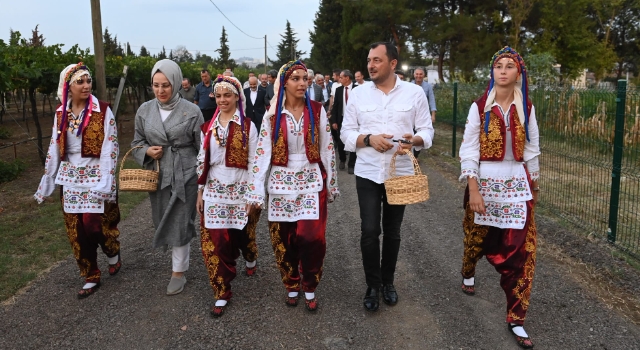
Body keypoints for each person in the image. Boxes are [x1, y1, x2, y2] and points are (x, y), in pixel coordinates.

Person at [341, 42, 433, 312]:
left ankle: (388, 282)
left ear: (393, 63)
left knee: (392, 231)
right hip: (368, 171)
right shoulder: (358, 95)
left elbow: (427, 131)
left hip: (400, 172)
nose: (371, 65)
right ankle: (372, 284)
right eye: (369, 60)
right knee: (370, 231)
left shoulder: (414, 93)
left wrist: (414, 140)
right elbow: (346, 132)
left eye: (377, 60)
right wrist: (368, 139)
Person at [458, 46, 540, 349]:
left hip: (518, 186)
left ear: (518, 73)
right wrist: (474, 188)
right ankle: (468, 270)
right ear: (492, 72)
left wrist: (535, 186)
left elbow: (531, 151)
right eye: (498, 66)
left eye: (509, 66)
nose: (503, 70)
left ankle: (516, 317)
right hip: (485, 182)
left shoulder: (526, 108)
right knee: (476, 239)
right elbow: (468, 150)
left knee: (522, 251)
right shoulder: (479, 107)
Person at [246, 60, 339, 312]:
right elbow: (263, 153)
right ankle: (291, 283)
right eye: (295, 78)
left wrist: (330, 183)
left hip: (310, 179)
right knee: (283, 239)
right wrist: (256, 190)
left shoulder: (317, 110)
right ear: (284, 82)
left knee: (312, 238)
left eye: (304, 78)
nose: (301, 83)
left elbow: (327, 150)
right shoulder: (272, 114)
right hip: (280, 181)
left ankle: (309, 284)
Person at [34, 62, 121, 298]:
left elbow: (109, 146)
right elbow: (54, 146)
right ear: (67, 87)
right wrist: (49, 178)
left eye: (88, 80)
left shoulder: (102, 110)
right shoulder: (61, 113)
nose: (86, 85)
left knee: (94, 224)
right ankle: (90, 273)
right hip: (70, 178)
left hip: (95, 174)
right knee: (76, 230)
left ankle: (112, 249)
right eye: (80, 82)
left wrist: (106, 179)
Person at [131, 59, 204, 296]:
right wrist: (146, 151)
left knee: (181, 220)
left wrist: (203, 180)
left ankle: (178, 272)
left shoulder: (192, 111)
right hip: (159, 172)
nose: (161, 90)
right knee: (162, 215)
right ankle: (176, 261)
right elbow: (136, 142)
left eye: (166, 85)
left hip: (186, 172)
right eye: (156, 85)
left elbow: (201, 147)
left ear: (175, 83)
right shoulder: (144, 110)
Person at [196, 75, 261, 317]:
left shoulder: (248, 126)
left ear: (236, 97)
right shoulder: (208, 127)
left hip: (241, 189)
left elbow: (255, 161)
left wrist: (254, 195)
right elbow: (202, 161)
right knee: (216, 242)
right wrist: (200, 191)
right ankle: (221, 290)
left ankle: (250, 255)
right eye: (219, 95)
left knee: (243, 236)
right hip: (215, 189)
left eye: (227, 95)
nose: (222, 100)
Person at [330, 69, 358, 174]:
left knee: (354, 141)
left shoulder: (357, 89)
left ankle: (351, 164)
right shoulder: (338, 90)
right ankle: (342, 159)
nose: (339, 79)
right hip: (342, 119)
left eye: (341, 77)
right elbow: (335, 107)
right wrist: (334, 121)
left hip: (355, 120)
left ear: (347, 78)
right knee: (341, 142)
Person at [412, 67, 437, 160]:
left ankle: (415, 156)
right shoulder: (409, 85)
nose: (418, 76)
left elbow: (432, 100)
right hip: (411, 114)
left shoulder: (428, 86)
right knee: (411, 133)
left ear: (424, 75)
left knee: (420, 134)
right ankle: (410, 153)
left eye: (420, 74)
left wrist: (433, 114)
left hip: (422, 114)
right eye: (417, 74)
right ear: (414, 75)